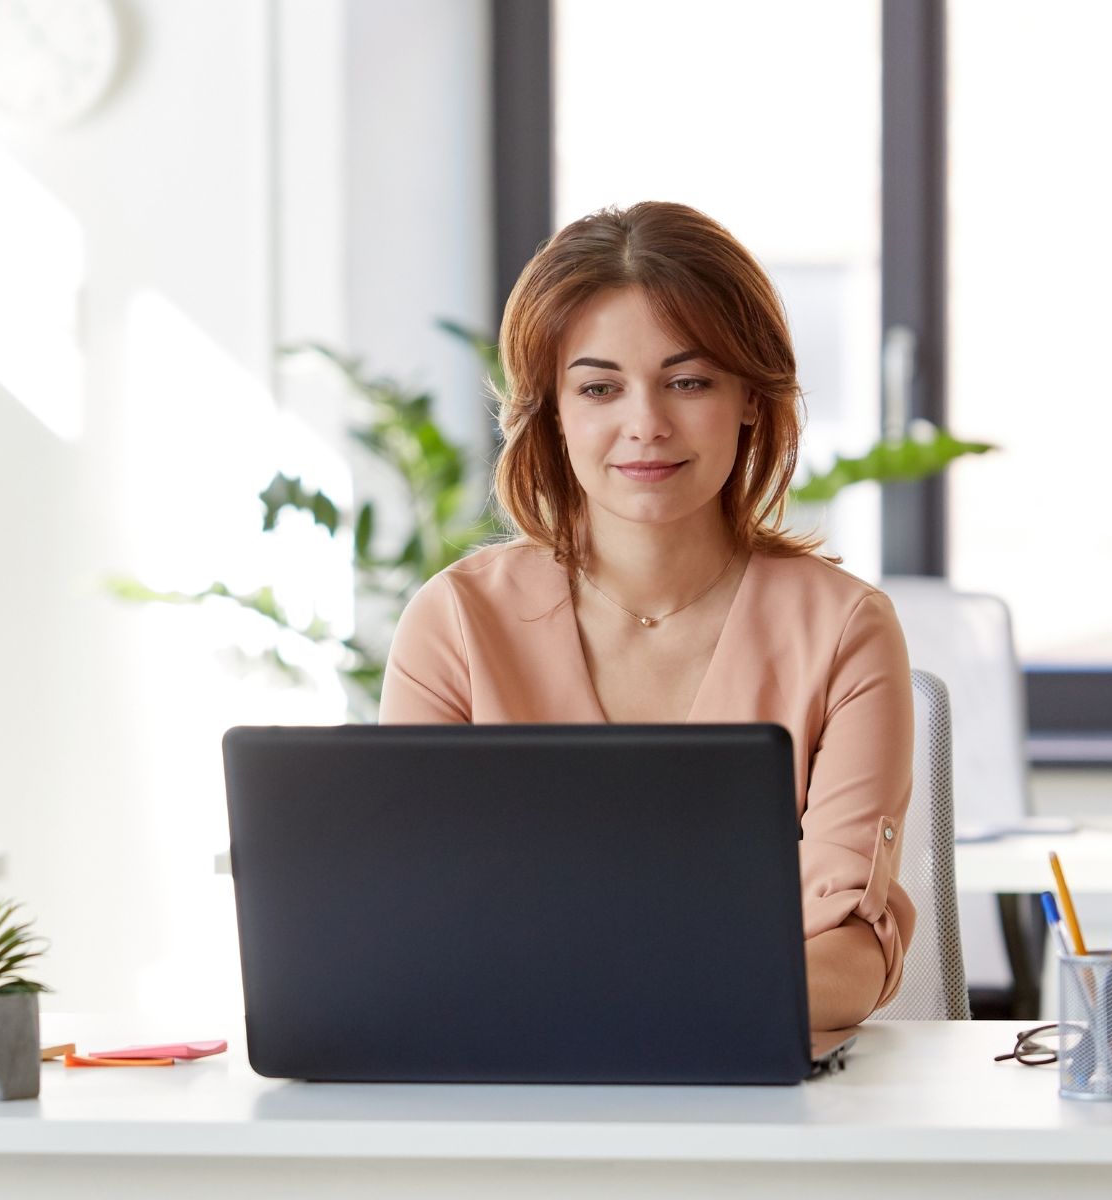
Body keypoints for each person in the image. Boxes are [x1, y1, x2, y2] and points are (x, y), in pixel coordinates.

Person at [381, 201, 916, 1029]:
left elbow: (847, 953)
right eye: (599, 387)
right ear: (553, 414)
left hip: (755, 1113)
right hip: (508, 1099)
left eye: (689, 380)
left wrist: (596, 993)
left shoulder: (845, 628)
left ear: (749, 396)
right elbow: (411, 922)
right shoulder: (455, 622)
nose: (647, 426)